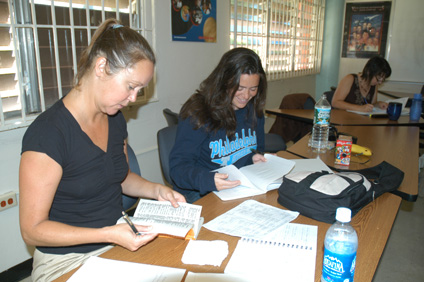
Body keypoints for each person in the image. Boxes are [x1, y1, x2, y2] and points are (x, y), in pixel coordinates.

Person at [19, 19, 186, 282]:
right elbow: (33, 230)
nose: (133, 99)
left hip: (115, 242)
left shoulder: (115, 118)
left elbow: (119, 177)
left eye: (139, 90)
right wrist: (107, 234)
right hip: (65, 261)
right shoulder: (48, 134)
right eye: (131, 87)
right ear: (101, 67)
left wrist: (157, 190)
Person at [169, 48, 267, 203]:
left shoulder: (254, 110)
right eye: (239, 88)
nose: (246, 96)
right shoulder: (198, 112)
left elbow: (256, 148)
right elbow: (178, 169)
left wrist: (254, 158)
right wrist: (209, 180)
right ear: (224, 82)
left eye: (253, 89)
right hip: (200, 190)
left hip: (239, 186)